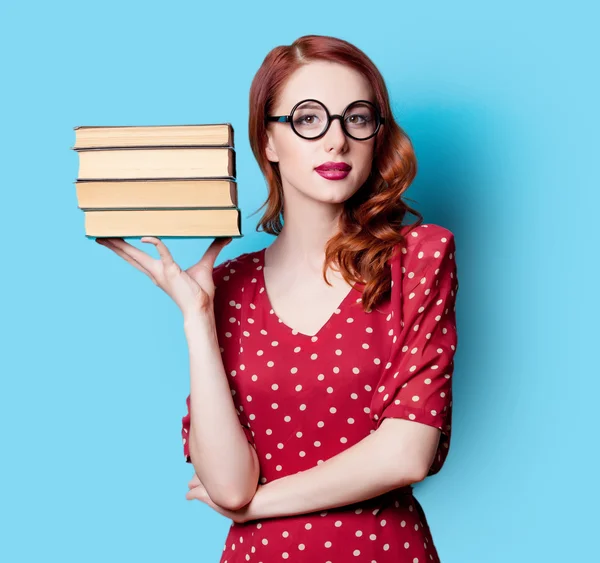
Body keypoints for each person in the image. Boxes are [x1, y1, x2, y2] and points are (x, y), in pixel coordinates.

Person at [97, 34, 459, 563]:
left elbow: (405, 455)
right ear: (267, 141)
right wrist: (197, 316)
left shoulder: (419, 258)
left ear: (376, 136)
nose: (336, 141)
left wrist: (256, 505)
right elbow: (227, 485)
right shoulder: (228, 286)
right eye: (308, 119)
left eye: (357, 118)